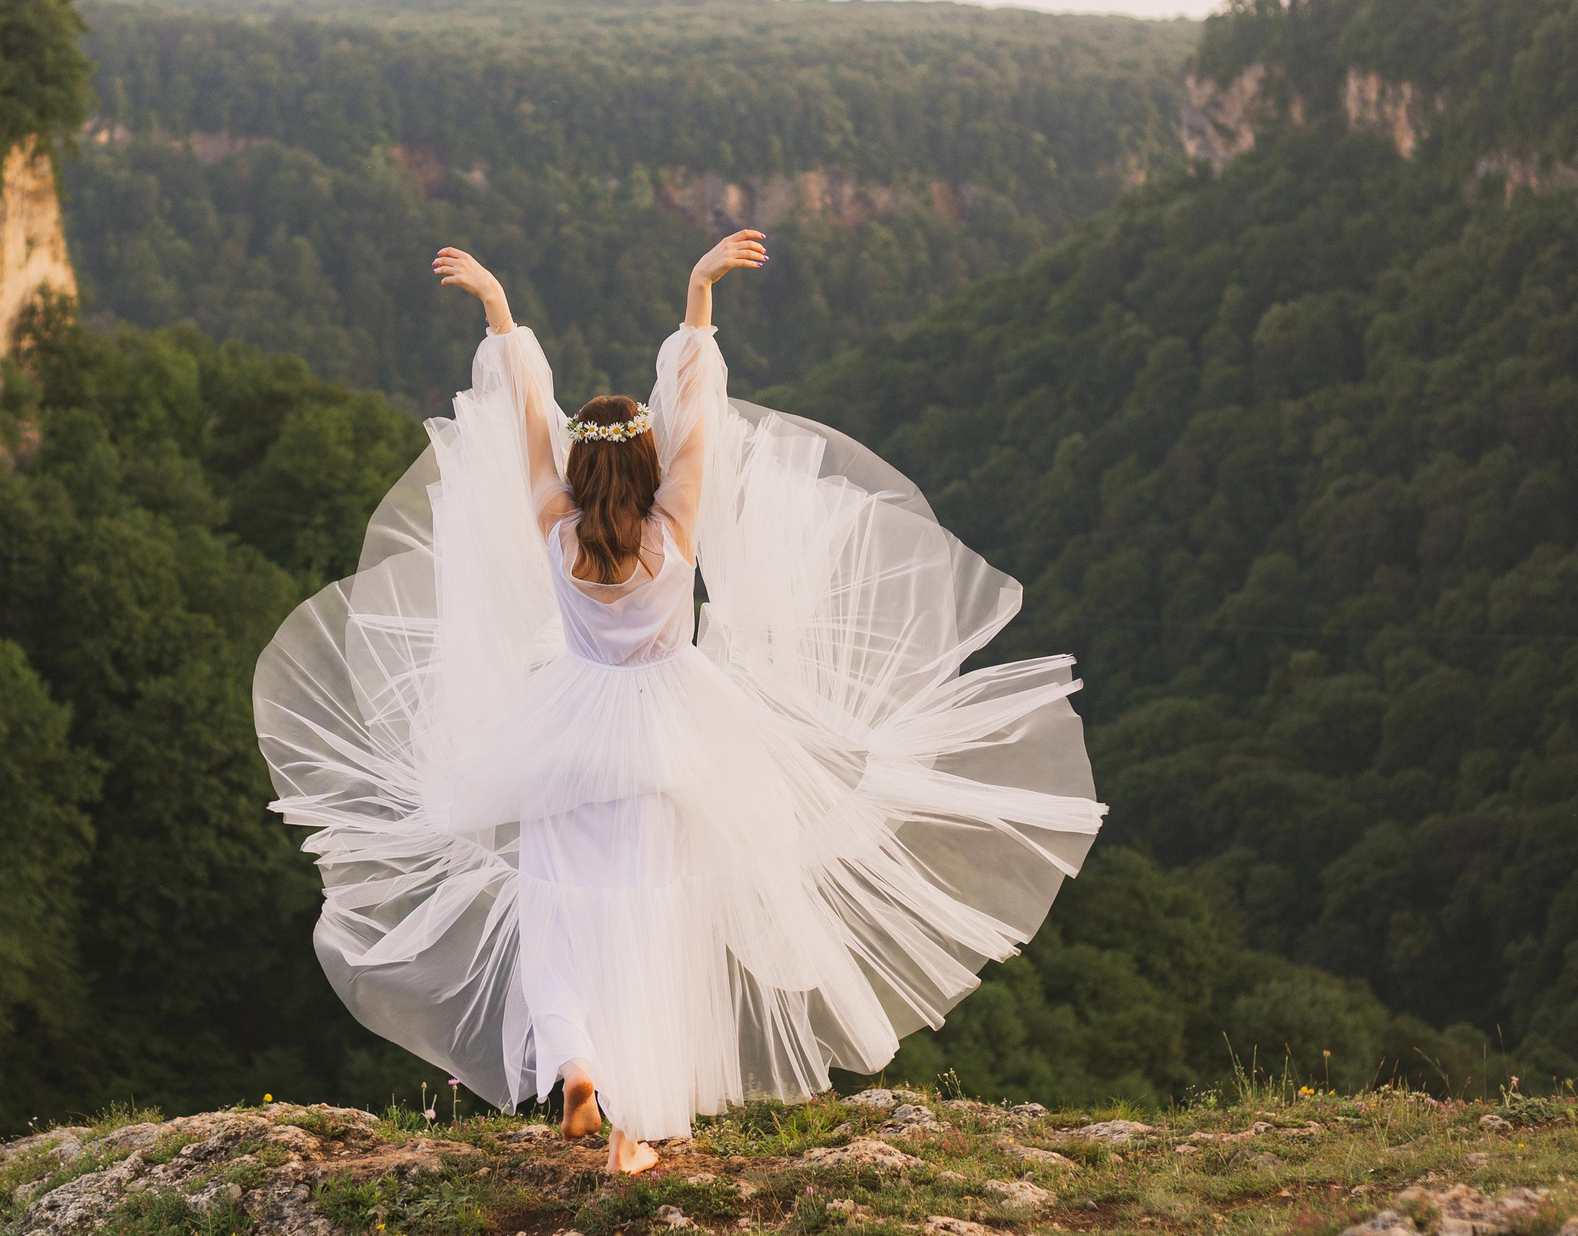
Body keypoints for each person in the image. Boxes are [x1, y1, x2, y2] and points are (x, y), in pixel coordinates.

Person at [256, 229, 1102, 1174]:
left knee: (560, 909)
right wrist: (699, 295)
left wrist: (499, 310)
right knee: (655, 921)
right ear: (647, 466)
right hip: (672, 735)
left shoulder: (556, 531)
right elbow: (700, 413)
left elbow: (524, 422)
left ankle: (577, 1061)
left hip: (565, 736)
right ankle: (637, 1121)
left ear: (580, 471)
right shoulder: (675, 528)